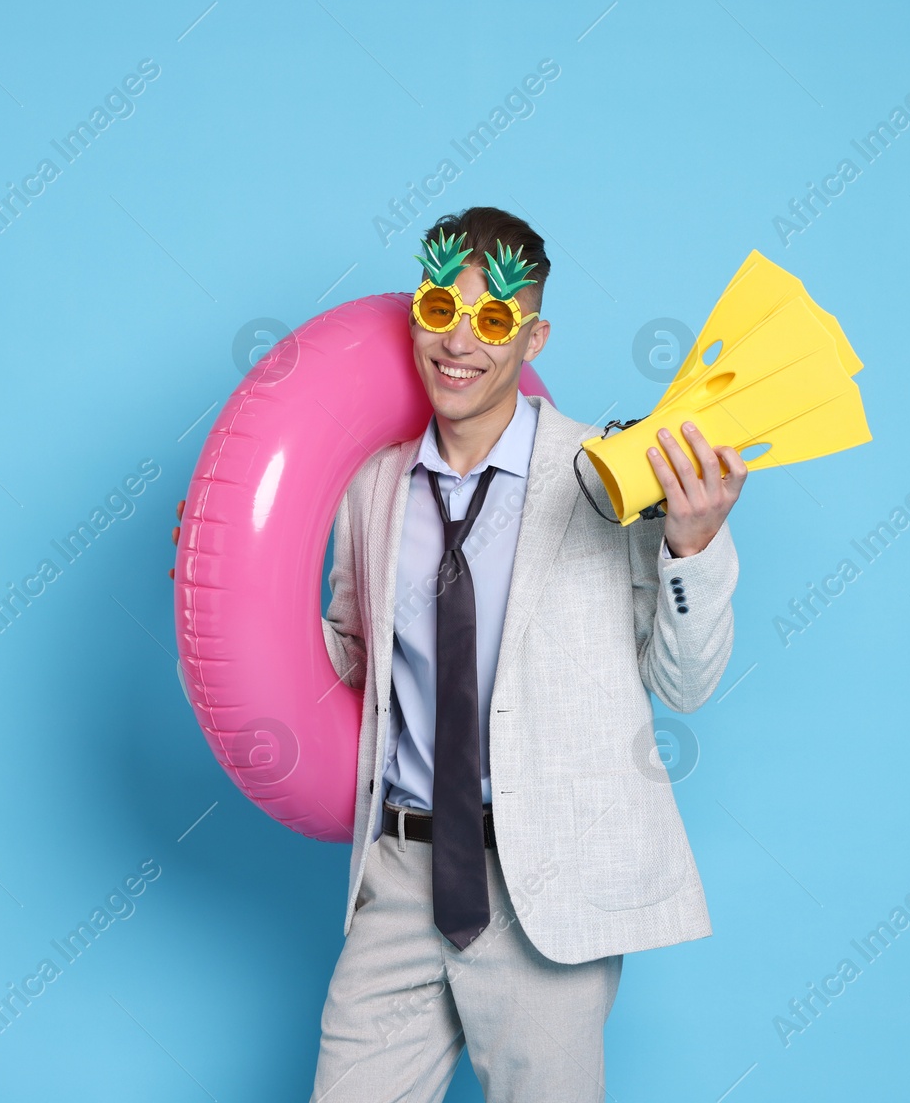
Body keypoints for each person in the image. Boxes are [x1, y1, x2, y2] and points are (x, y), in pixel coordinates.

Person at [305, 205, 746, 1101]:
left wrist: (693, 548)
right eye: (440, 309)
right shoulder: (372, 486)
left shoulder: (612, 475)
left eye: (493, 319)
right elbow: (353, 657)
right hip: (400, 874)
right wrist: (221, 582)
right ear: (418, 316)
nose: (459, 341)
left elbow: (685, 685)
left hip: (544, 885)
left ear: (532, 334)